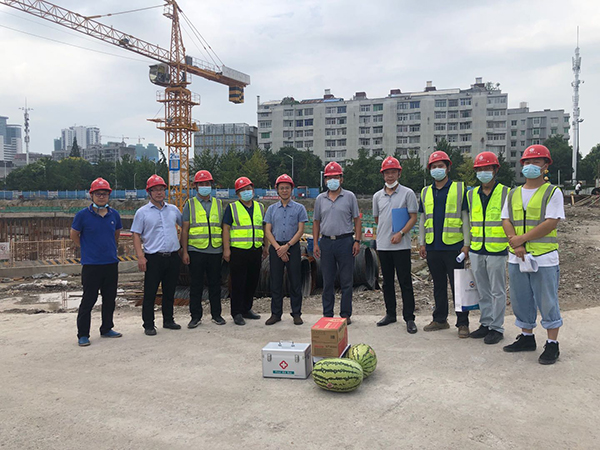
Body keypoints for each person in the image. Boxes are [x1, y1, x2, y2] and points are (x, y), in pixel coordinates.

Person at [501, 144, 565, 365]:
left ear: (546, 165)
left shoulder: (552, 192)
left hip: (543, 257)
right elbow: (506, 220)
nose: (530, 166)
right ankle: (526, 337)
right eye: (527, 162)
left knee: (547, 301)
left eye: (536, 162)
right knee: (521, 299)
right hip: (517, 257)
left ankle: (552, 343)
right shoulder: (513, 193)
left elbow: (550, 223)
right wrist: (516, 243)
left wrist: (522, 239)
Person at [419, 151, 471, 338]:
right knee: (438, 285)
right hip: (433, 246)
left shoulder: (459, 189)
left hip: (454, 247)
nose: (437, 169)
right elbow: (423, 219)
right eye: (434, 167)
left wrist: (467, 244)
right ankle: (440, 319)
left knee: (458, 286)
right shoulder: (425, 192)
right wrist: (422, 243)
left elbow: (465, 217)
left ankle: (463, 323)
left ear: (448, 168)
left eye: (440, 166)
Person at [71, 178, 123, 347]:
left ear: (109, 195)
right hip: (91, 265)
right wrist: (87, 248)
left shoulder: (114, 215)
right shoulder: (82, 215)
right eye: (98, 194)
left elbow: (116, 235)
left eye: (105, 194)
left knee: (110, 298)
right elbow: (74, 235)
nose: (101, 197)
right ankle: (83, 334)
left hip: (110, 263)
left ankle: (107, 328)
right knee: (89, 299)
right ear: (91, 195)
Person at [467, 152, 510, 345]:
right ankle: (485, 323)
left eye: (487, 168)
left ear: (495, 170)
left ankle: (497, 327)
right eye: (480, 169)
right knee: (482, 290)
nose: (483, 172)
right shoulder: (471, 195)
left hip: (497, 249)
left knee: (497, 291)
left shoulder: (506, 193)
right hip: (477, 248)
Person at [132, 175, 183, 336]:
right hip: (153, 258)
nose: (159, 193)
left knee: (170, 290)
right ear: (149, 192)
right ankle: (148, 324)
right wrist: (140, 256)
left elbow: (184, 226)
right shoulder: (142, 213)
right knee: (150, 292)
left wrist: (181, 245)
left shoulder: (173, 210)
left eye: (161, 189)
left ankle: (168, 320)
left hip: (172, 256)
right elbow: (136, 234)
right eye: (155, 190)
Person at [373, 156, 418, 333]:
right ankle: (390, 313)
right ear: (383, 175)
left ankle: (409, 318)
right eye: (387, 173)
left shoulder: (408, 193)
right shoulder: (377, 196)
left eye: (393, 172)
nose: (390, 176)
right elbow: (377, 219)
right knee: (387, 282)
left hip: (402, 246)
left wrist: (401, 233)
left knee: (405, 281)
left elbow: (413, 217)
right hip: (384, 246)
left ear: (399, 173)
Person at [313, 162, 361, 325]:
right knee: (327, 281)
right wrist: (316, 243)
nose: (332, 180)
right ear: (325, 180)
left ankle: (345, 314)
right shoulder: (320, 199)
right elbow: (316, 222)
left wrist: (357, 241)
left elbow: (357, 220)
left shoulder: (349, 197)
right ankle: (327, 313)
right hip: (327, 242)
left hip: (345, 242)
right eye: (329, 178)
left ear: (341, 179)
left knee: (346, 281)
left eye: (335, 177)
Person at [180, 170, 226, 328]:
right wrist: (185, 251)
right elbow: (185, 230)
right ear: (196, 186)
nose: (205, 186)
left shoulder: (218, 204)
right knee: (196, 285)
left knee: (215, 285)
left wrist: (224, 249)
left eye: (207, 183)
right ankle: (195, 316)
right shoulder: (190, 204)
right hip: (196, 251)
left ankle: (216, 315)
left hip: (215, 250)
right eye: (201, 184)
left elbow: (223, 228)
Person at [263, 174, 308, 326]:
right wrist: (278, 248)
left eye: (287, 188)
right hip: (276, 248)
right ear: (277, 190)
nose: (284, 190)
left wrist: (287, 246)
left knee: (295, 281)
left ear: (291, 189)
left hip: (292, 247)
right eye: (281, 188)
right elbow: (268, 230)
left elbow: (300, 230)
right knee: (275, 281)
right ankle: (276, 314)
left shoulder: (299, 208)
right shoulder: (271, 209)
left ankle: (296, 313)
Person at [222, 176, 267, 325]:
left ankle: (247, 309)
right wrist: (226, 249)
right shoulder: (232, 207)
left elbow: (263, 228)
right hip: (238, 251)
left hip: (255, 249)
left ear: (253, 189)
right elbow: (226, 228)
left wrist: (266, 246)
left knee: (252, 281)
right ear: (237, 193)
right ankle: (237, 312)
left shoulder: (260, 207)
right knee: (238, 283)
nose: (246, 192)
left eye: (248, 188)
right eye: (242, 190)